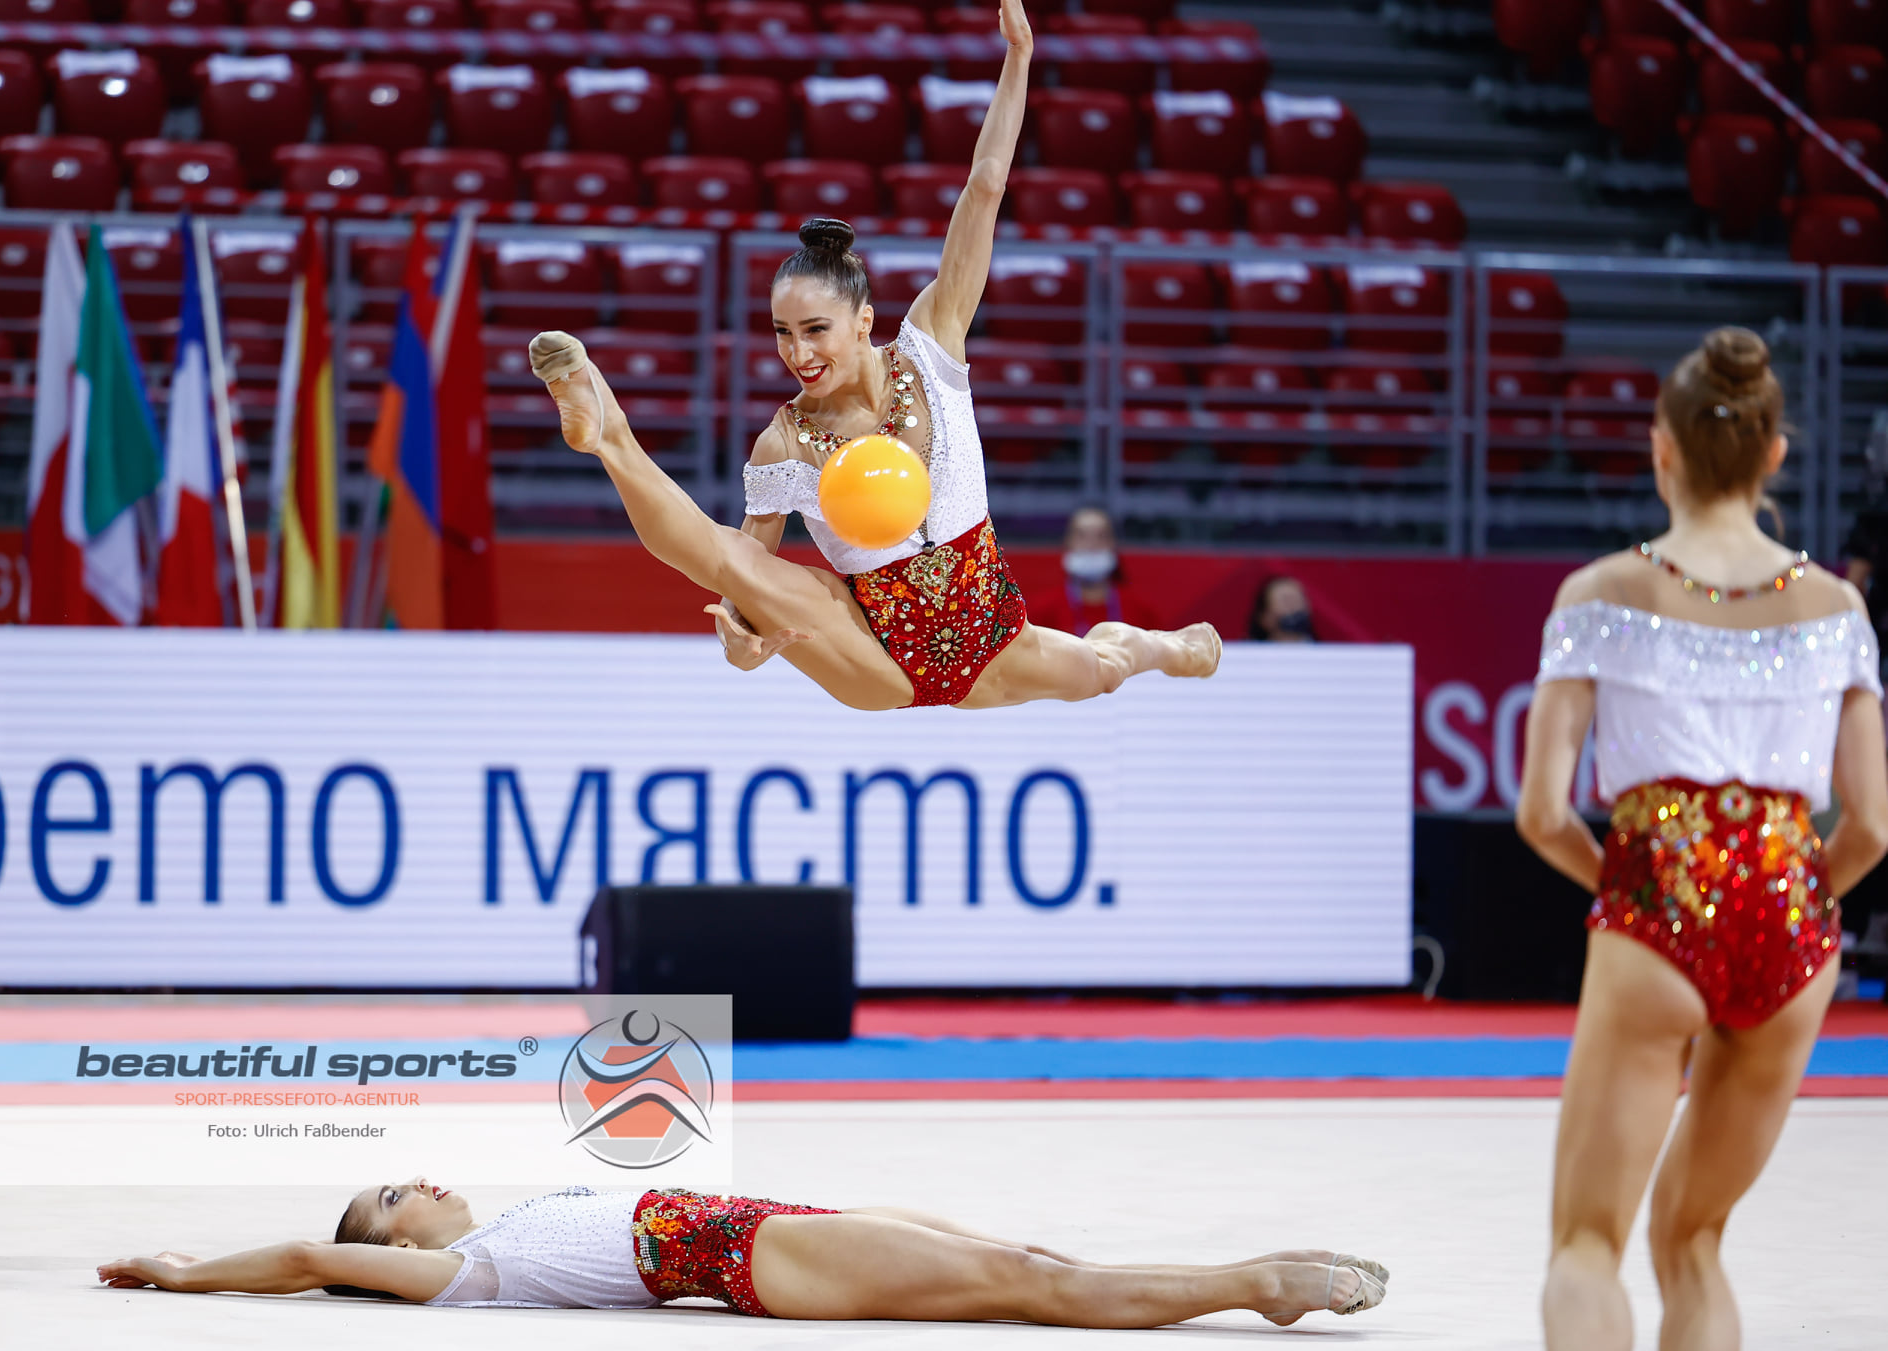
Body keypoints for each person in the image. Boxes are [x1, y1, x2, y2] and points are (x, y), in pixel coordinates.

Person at [526, 0, 1220, 713]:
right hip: (876, 655)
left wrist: (1018, 60)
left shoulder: (932, 345)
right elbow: (745, 578)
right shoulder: (784, 442)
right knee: (727, 557)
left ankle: (1162, 648)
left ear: (864, 320)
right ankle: (607, 434)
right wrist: (740, 638)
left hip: (994, 640)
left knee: (1103, 670)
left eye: (815, 329)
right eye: (781, 332)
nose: (797, 352)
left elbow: (984, 189)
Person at [1518, 327, 1888, 1351]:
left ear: (1661, 450)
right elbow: (1873, 825)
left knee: (1586, 1245)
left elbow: (1542, 812)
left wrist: (1634, 896)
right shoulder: (1837, 607)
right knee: (1694, 1241)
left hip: (1656, 896)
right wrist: (1797, 896)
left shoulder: (1598, 596)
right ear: (1774, 454)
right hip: (1792, 917)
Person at [97, 1178, 1388, 1327]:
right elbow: (298, 1256)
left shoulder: (496, 1221)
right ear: (388, 1245)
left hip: (759, 1220)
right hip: (748, 1257)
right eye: (389, 1197)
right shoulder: (463, 1270)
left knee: (1018, 1246)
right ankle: (1256, 1281)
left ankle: (1246, 1286)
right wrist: (180, 1265)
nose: (416, 1181)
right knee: (1025, 1286)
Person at [1026, 505, 1160, 638]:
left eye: (1101, 536)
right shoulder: (1040, 613)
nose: (1091, 544)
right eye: (1081, 536)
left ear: (1113, 543)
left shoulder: (1141, 613)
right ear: (1068, 542)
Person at [1248, 574, 1317, 642]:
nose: (1294, 607)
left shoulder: (1324, 649)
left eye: (1298, 599)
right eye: (1286, 601)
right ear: (1265, 617)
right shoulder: (1246, 651)